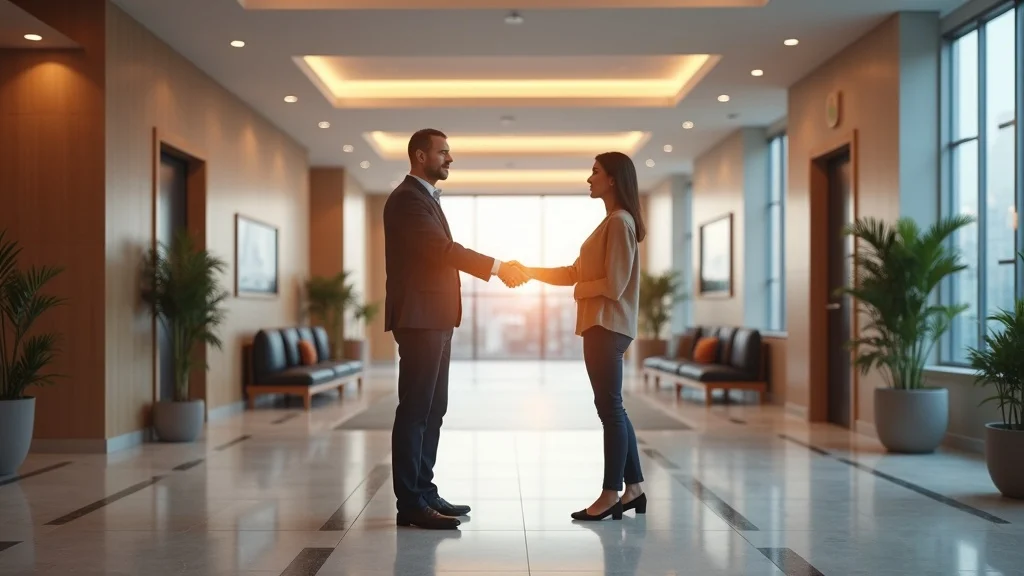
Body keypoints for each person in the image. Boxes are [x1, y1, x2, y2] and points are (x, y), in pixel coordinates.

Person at [382, 128, 529, 530]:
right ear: (419, 156)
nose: (450, 159)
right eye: (443, 153)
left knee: (434, 408)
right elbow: (443, 252)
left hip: (436, 317)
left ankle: (424, 491)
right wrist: (498, 268)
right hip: (420, 318)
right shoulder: (407, 200)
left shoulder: (423, 199)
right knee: (415, 410)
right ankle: (410, 503)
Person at [509, 151, 646, 521]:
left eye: (595, 172)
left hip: (606, 325)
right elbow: (574, 271)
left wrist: (579, 291)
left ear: (613, 179)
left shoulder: (618, 222)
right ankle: (633, 489)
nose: (589, 179)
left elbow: (614, 286)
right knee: (614, 407)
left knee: (610, 411)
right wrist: (531, 271)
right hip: (605, 325)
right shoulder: (611, 223)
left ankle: (609, 494)